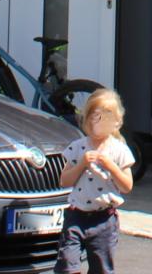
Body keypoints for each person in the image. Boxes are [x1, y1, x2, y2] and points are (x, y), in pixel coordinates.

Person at [57, 88, 135, 274]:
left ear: (116, 122)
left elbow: (127, 186)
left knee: (101, 268)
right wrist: (81, 164)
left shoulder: (119, 151)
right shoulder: (77, 147)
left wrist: (111, 166)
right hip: (76, 217)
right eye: (94, 117)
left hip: (104, 220)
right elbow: (64, 181)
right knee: (67, 264)